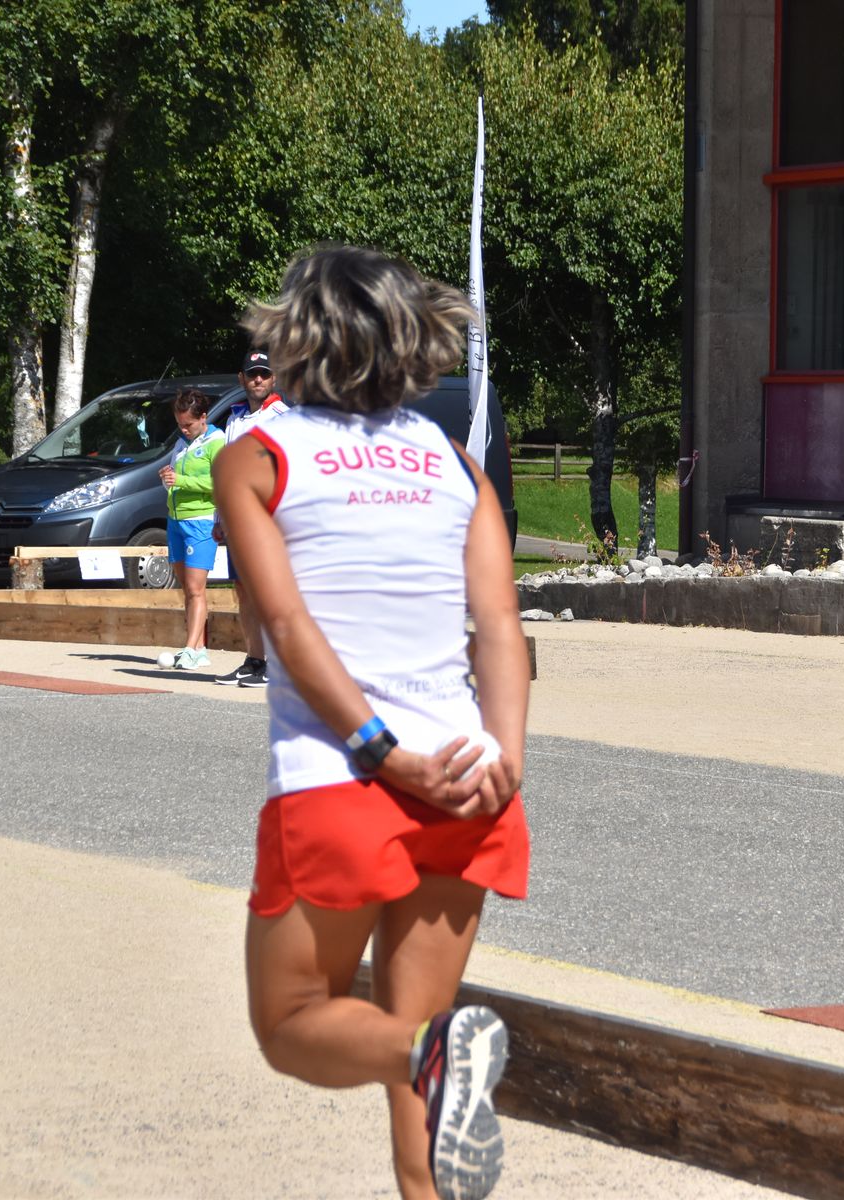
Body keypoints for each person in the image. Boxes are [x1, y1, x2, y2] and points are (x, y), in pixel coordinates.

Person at [214, 245, 529, 1200]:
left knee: (294, 1023)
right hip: (469, 776)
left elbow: (286, 625)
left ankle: (433, 1052)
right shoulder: (453, 461)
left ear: (295, 335)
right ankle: (434, 1068)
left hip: (343, 781)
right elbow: (499, 624)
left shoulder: (257, 456)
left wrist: (380, 753)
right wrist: (507, 758)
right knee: (415, 1037)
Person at [214, 350, 291, 688]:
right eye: (252, 373)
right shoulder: (235, 417)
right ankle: (255, 659)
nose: (258, 379)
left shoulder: (284, 417)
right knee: (244, 591)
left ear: (274, 378)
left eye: (264, 374)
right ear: (241, 378)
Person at [158, 388, 225, 671]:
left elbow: (219, 483)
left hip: (201, 521)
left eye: (188, 424)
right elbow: (174, 479)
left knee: (197, 589)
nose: (184, 430)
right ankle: (198, 649)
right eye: (179, 424)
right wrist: (166, 478)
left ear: (203, 417)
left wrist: (181, 481)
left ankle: (189, 648)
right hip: (175, 519)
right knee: (186, 587)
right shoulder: (180, 442)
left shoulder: (216, 441)